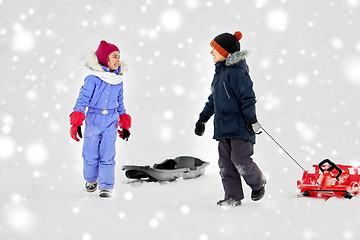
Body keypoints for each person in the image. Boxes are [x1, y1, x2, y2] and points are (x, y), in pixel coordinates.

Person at [195, 31, 266, 207]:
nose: (211, 52)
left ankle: (258, 183)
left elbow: (247, 97)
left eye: (215, 49)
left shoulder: (237, 73)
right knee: (225, 164)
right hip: (223, 128)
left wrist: (252, 120)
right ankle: (232, 196)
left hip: (241, 127)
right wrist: (203, 118)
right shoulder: (219, 74)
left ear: (226, 52)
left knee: (240, 160)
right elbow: (214, 99)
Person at [70, 40, 131, 198]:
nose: (118, 60)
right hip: (94, 119)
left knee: (107, 154)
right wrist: (76, 122)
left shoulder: (118, 81)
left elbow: (120, 104)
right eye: (115, 57)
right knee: (90, 153)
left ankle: (106, 186)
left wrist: (124, 125)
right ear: (105, 60)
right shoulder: (93, 79)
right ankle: (91, 179)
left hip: (111, 120)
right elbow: (82, 99)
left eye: (119, 57)